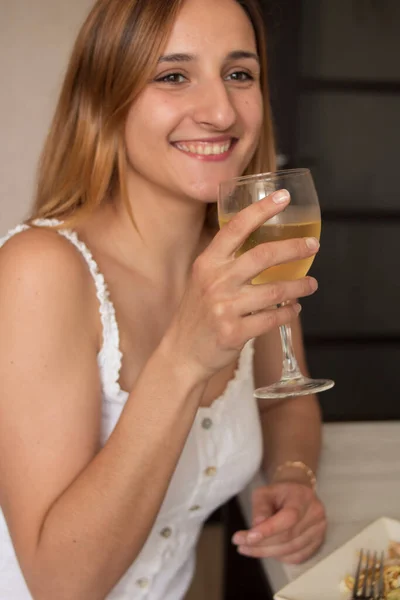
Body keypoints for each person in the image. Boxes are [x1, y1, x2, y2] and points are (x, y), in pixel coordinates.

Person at [0, 0, 327, 598]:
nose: (222, 110)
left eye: (239, 74)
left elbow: (287, 399)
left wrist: (293, 476)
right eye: (173, 75)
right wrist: (185, 356)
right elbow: (59, 585)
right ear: (105, 97)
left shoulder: (250, 254)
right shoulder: (39, 271)